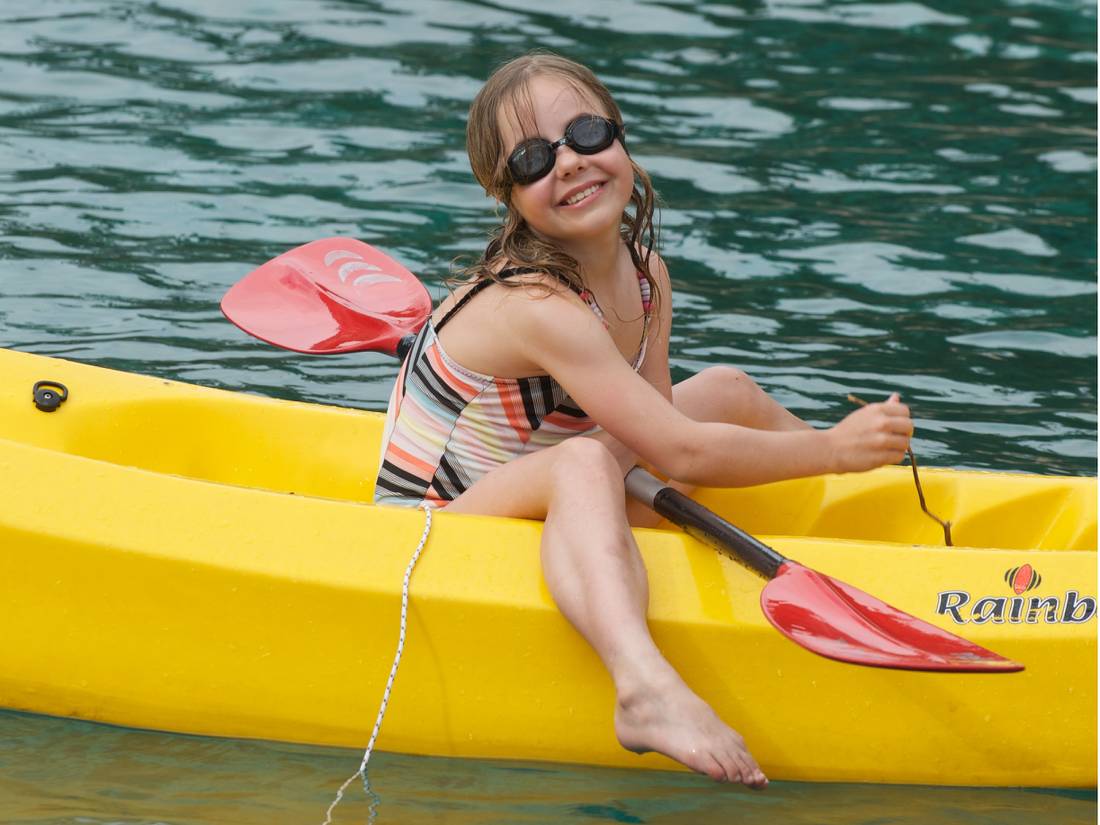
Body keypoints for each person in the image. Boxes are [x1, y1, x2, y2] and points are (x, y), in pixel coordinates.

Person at [374, 51, 913, 788]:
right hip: (429, 526)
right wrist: (830, 449)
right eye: (533, 158)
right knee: (586, 462)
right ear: (506, 194)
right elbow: (680, 452)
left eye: (586, 133)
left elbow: (656, 437)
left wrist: (827, 456)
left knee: (723, 388)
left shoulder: (645, 273)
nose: (567, 163)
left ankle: (898, 526)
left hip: (544, 481)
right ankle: (643, 688)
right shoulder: (535, 306)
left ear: (619, 139)